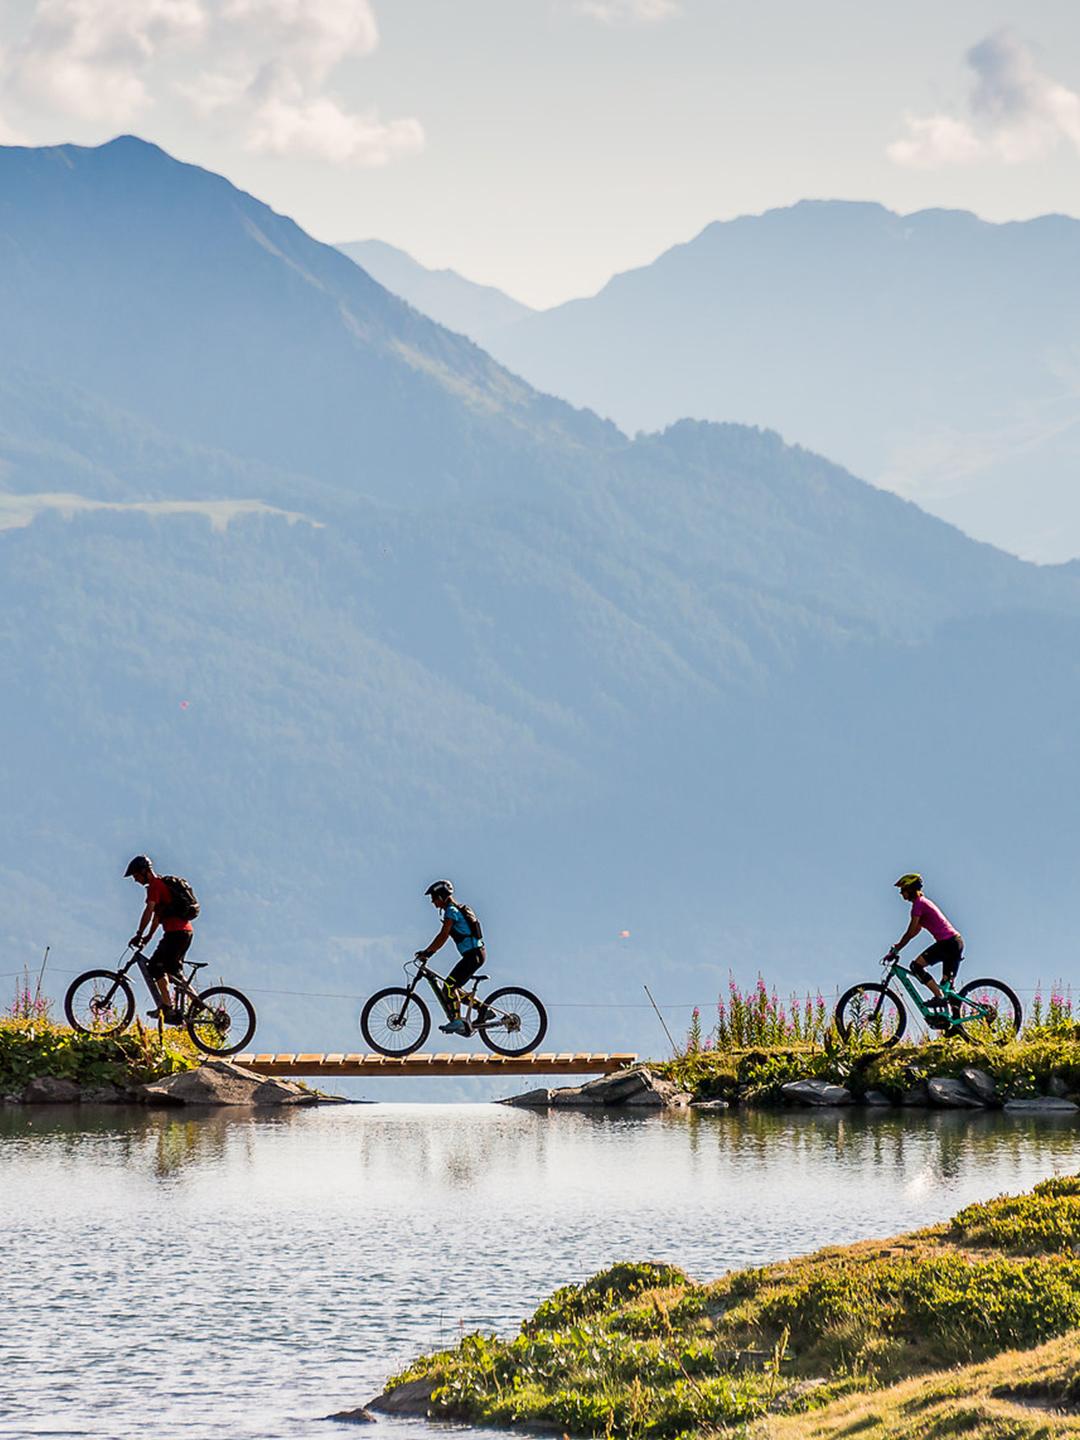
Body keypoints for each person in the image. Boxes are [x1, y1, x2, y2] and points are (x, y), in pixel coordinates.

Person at [125, 855, 196, 1024]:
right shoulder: (161, 886)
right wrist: (147, 938)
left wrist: (139, 933)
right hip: (181, 933)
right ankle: (181, 1004)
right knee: (164, 970)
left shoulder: (155, 887)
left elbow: (149, 912)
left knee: (160, 968)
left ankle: (172, 1006)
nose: (135, 880)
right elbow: (157, 918)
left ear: (144, 872)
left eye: (136, 876)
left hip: (176, 934)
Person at [416, 880, 486, 1036]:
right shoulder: (453, 910)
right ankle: (483, 1010)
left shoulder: (451, 911)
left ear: (441, 896)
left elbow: (443, 936)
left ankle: (457, 1020)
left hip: (473, 955)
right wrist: (429, 952)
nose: (433, 902)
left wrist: (427, 952)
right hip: (475, 954)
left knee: (448, 987)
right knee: (453, 989)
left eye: (434, 898)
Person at [888, 872, 963, 1013]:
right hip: (954, 943)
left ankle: (938, 997)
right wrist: (899, 946)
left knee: (916, 967)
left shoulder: (918, 905)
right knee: (948, 987)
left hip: (948, 943)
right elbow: (916, 931)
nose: (901, 894)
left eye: (902, 890)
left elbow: (910, 932)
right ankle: (957, 1024)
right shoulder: (923, 903)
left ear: (910, 889)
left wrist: (897, 949)